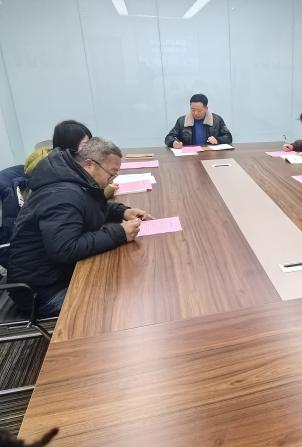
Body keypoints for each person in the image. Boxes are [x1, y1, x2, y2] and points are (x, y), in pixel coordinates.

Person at [8, 137, 153, 316]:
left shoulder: (73, 178)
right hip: (42, 291)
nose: (111, 181)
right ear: (89, 164)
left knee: (121, 280)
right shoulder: (62, 195)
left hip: (57, 274)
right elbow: (65, 248)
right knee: (117, 305)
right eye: (111, 174)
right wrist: (119, 232)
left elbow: (88, 206)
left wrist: (122, 212)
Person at [24, 120, 118, 199]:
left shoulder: (63, 164)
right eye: (86, 144)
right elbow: (85, 201)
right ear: (70, 146)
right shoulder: (59, 175)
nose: (91, 148)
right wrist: (105, 191)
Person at [164, 93, 232, 148]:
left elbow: (228, 137)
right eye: (193, 110)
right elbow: (169, 137)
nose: (196, 113)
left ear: (206, 108)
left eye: (199, 110)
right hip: (189, 156)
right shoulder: (182, 121)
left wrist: (217, 140)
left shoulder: (217, 120)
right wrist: (173, 143)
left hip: (210, 155)